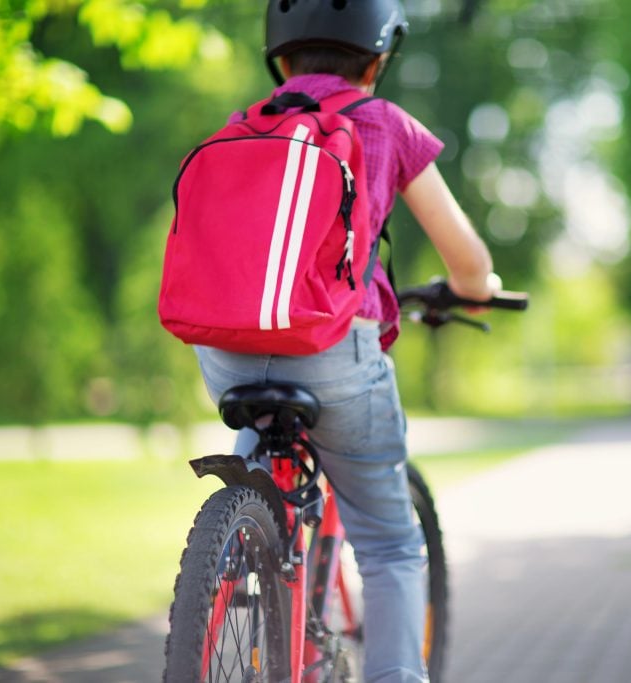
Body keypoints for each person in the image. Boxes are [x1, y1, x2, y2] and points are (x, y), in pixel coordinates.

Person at [192, 1, 497, 682]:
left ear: (279, 55)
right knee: (390, 544)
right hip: (336, 354)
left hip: (226, 356)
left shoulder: (246, 126)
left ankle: (233, 560)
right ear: (379, 54)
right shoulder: (386, 124)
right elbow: (466, 258)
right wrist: (476, 285)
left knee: (260, 483)